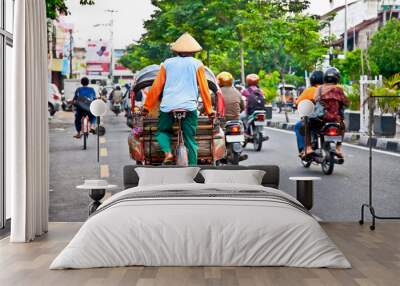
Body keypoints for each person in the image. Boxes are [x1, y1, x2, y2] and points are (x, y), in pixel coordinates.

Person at [142, 32, 214, 165]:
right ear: (193, 51)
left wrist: (146, 107)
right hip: (189, 106)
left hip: (168, 105)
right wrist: (209, 110)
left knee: (162, 131)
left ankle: (167, 152)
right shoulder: (197, 64)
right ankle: (193, 168)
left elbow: (156, 87)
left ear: (176, 51)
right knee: (190, 140)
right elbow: (204, 89)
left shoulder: (166, 63)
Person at [317, 67, 350, 157]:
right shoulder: (339, 89)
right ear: (337, 78)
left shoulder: (320, 89)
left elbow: (314, 100)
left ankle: (313, 146)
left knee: (314, 128)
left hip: (322, 118)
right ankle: (338, 148)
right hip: (336, 119)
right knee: (342, 127)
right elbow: (346, 103)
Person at [293, 70, 324, 157]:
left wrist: (296, 104)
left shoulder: (310, 90)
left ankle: (305, 148)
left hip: (316, 120)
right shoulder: (330, 90)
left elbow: (298, 102)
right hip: (331, 119)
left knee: (299, 126)